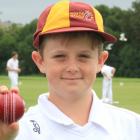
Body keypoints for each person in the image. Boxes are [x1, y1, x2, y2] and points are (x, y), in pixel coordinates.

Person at [0, 1, 140, 140]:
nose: (72, 68)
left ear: (100, 61)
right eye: (60, 56)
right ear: (40, 61)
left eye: (83, 56)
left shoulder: (132, 126)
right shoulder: (17, 131)